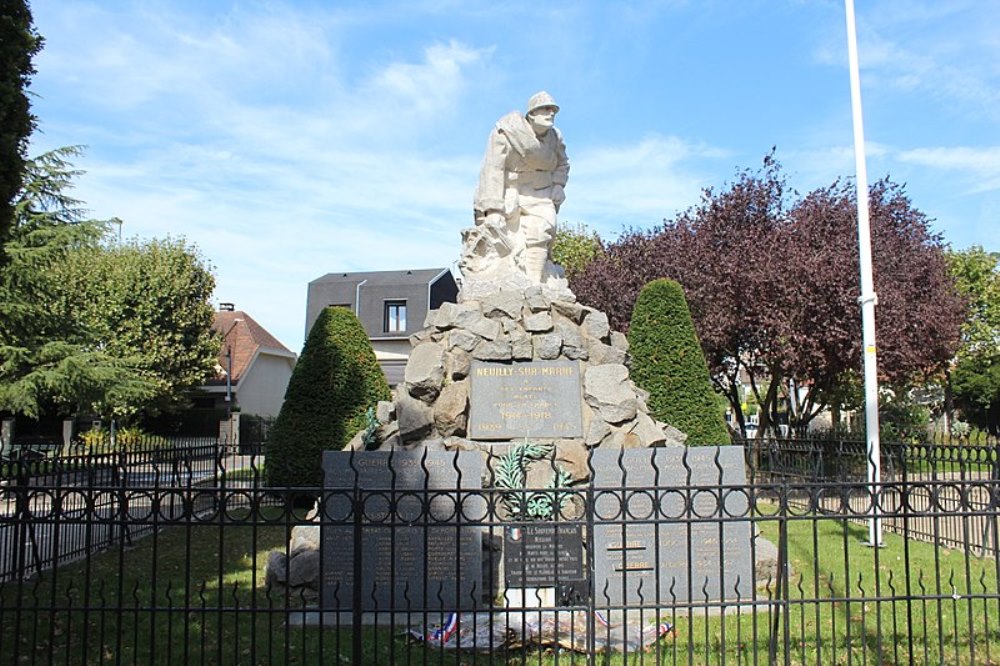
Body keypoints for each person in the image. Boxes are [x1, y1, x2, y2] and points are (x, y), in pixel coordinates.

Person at [468, 91, 570, 285]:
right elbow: (493, 169)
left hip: (541, 193)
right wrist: (494, 209)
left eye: (553, 111)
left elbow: (563, 163)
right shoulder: (506, 132)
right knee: (504, 242)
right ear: (531, 114)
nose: (551, 114)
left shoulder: (555, 138)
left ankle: (534, 286)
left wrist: (558, 185)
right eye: (545, 109)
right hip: (510, 192)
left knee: (542, 230)